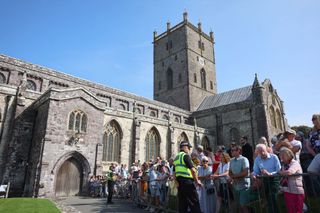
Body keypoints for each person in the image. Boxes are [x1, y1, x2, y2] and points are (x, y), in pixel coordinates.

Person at [173, 141, 202, 213]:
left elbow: (174, 173)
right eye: (189, 148)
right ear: (185, 147)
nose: (189, 149)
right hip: (188, 182)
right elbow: (193, 170)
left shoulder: (176, 158)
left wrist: (176, 182)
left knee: (182, 204)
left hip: (180, 183)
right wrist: (197, 181)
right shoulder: (185, 156)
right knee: (194, 202)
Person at [252, 144, 281, 213]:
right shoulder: (257, 159)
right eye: (259, 152)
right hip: (264, 180)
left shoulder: (274, 157)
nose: (262, 153)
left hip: (274, 180)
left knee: (273, 199)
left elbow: (279, 170)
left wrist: (270, 174)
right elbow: (255, 171)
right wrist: (254, 175)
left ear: (266, 150)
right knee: (268, 200)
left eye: (263, 151)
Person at [278, 148, 304, 213]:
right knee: (291, 211)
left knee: (298, 210)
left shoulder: (295, 163)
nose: (281, 158)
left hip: (296, 191)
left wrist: (280, 172)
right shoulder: (284, 165)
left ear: (288, 155)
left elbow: (289, 172)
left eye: (283, 156)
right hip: (287, 191)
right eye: (281, 156)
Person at [229, 145, 250, 213]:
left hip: (244, 186)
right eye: (231, 150)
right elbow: (230, 172)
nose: (231, 152)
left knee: (243, 205)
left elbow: (245, 172)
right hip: (235, 186)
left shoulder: (244, 159)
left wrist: (234, 176)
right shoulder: (231, 160)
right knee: (239, 206)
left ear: (238, 151)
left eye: (233, 150)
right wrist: (232, 177)